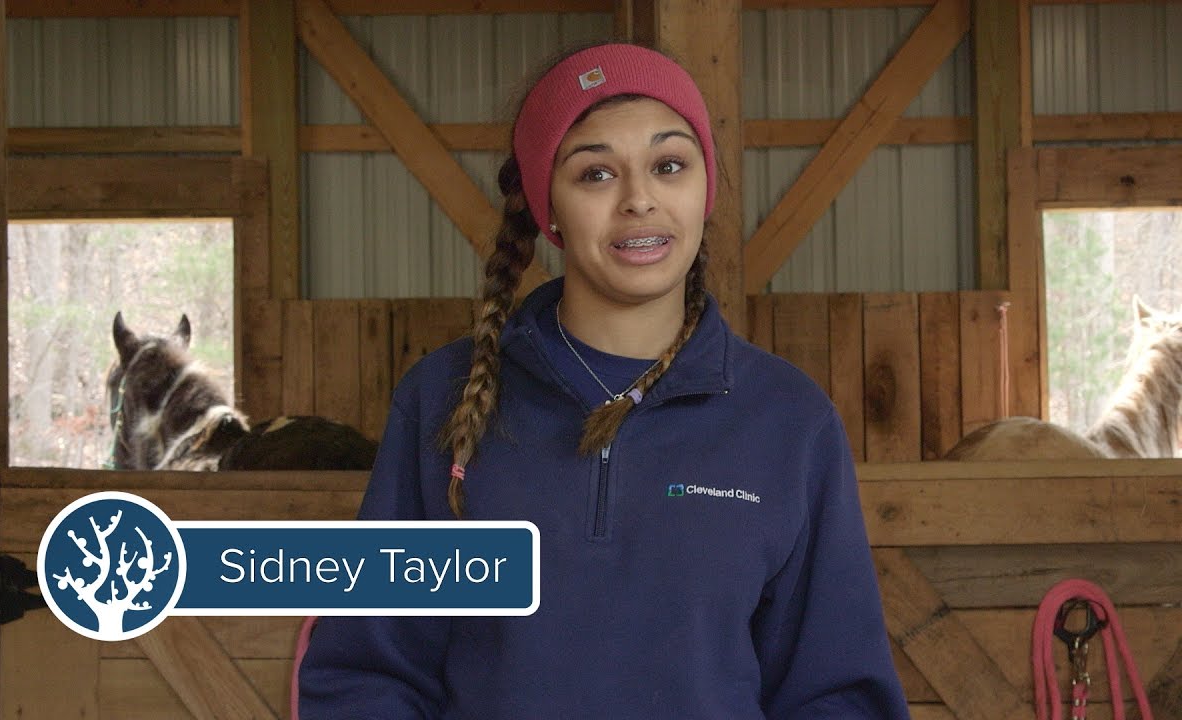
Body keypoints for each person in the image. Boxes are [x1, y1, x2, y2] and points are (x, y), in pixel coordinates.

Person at [299, 42, 909, 719]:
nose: (639, 200)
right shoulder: (439, 397)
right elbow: (365, 672)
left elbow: (839, 695)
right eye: (595, 174)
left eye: (669, 165)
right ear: (548, 208)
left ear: (705, 189)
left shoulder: (790, 421)